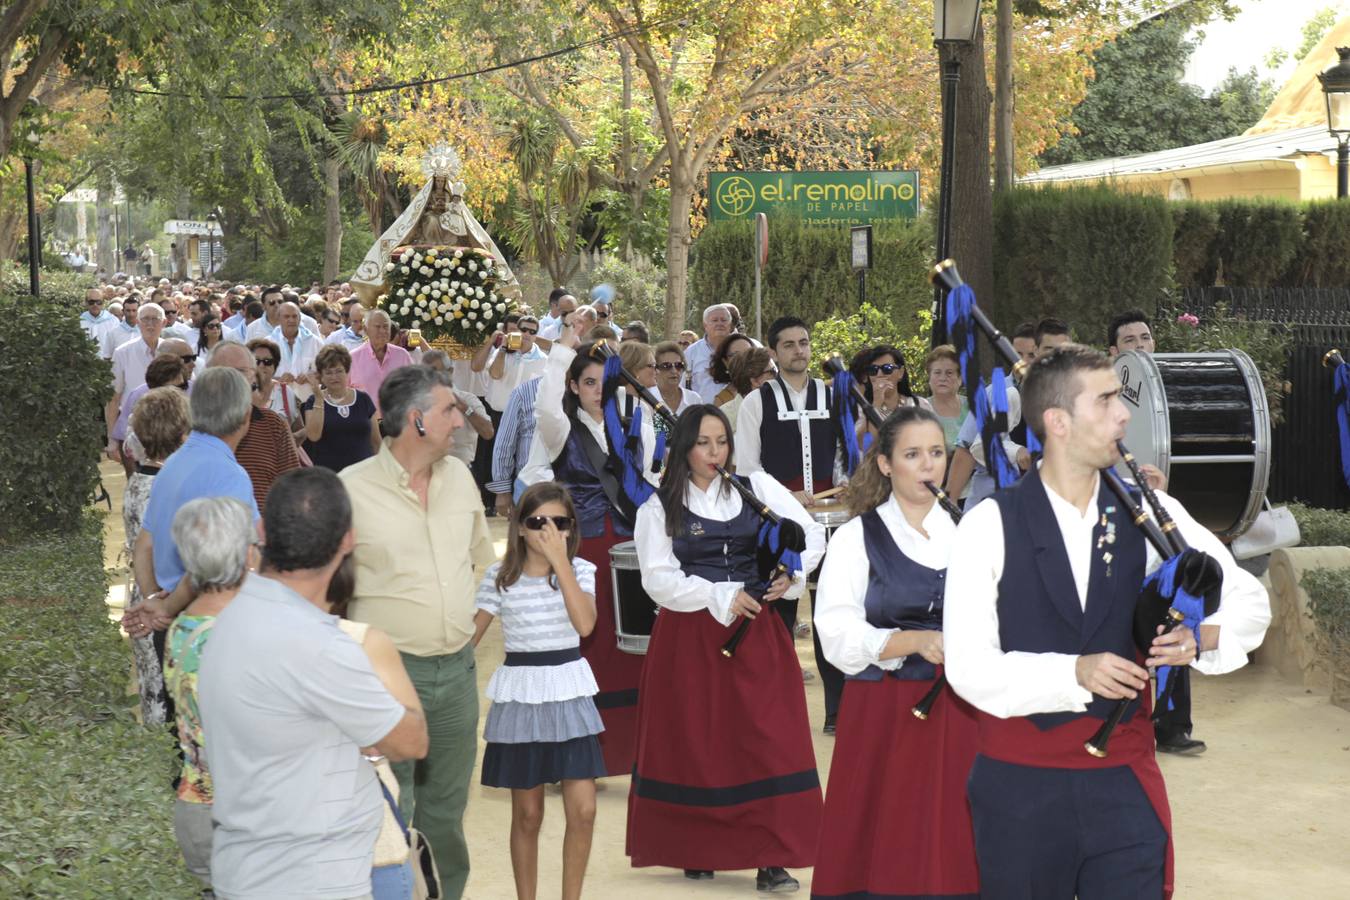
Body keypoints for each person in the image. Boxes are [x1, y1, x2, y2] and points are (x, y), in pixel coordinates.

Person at [943, 344, 1271, 900]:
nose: (1124, 415)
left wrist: (1199, 637)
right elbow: (968, 668)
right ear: (1058, 422)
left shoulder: (1151, 514)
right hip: (1019, 789)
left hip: (1124, 783)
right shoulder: (989, 524)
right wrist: (1072, 673)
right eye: (1108, 401)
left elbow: (1248, 602)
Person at [199, 468, 429, 900]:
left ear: (263, 531)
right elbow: (411, 742)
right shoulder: (321, 647)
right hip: (311, 880)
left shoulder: (231, 618)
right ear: (348, 541)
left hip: (247, 869)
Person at [629, 405, 826, 891]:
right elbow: (657, 579)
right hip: (690, 635)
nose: (714, 452)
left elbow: (811, 534)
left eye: (721, 442)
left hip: (757, 630)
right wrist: (718, 595)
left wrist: (790, 575)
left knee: (766, 739)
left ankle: (771, 854)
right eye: (703, 443)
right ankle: (698, 846)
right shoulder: (659, 505)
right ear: (682, 450)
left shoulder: (757, 487)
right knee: (698, 741)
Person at [341, 365, 498, 897]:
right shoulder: (350, 491)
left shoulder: (460, 480)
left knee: (447, 814)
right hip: (384, 678)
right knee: (387, 807)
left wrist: (461, 642)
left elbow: (479, 567)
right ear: (416, 421)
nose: (461, 419)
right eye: (450, 410)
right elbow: (324, 595)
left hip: (456, 674)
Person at [812, 408, 980, 900]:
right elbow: (836, 633)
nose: (928, 465)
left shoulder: (971, 534)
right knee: (887, 836)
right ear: (886, 464)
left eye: (935, 453)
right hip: (886, 712)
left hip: (962, 709)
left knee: (955, 836)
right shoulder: (855, 538)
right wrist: (912, 641)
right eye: (912, 455)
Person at [521, 324, 661, 778]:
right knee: (587, 646)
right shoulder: (560, 427)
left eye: (606, 382)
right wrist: (563, 347)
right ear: (573, 386)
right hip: (584, 551)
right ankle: (583, 757)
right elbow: (545, 403)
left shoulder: (638, 420)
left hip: (633, 547)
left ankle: (638, 753)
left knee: (634, 650)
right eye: (588, 383)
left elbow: (651, 480)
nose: (598, 392)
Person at [472, 483, 603, 900]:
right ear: (520, 528)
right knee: (528, 815)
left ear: (570, 528)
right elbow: (466, 638)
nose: (549, 530)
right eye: (537, 522)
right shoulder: (501, 576)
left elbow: (585, 626)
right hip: (521, 697)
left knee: (583, 810)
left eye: (559, 522)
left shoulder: (580, 571)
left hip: (569, 691)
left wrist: (560, 563)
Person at [163, 495, 256, 893]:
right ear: (245, 555)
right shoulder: (240, 636)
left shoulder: (182, 628)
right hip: (243, 820)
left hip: (197, 807)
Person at [121, 386, 191, 727]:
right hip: (165, 602)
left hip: (143, 595)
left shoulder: (137, 481)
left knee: (153, 691)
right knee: (171, 702)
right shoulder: (170, 487)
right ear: (182, 434)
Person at [209, 341, 302, 511]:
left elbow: (293, 489)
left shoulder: (273, 424)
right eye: (225, 372)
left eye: (241, 372)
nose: (233, 379)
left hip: (264, 532)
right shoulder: (194, 424)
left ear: (252, 377)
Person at [300, 344, 381, 471]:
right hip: (329, 478)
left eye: (339, 371)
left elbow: (376, 442)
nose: (334, 377)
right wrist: (319, 399)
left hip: (364, 476)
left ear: (347, 371)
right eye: (328, 372)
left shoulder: (363, 399)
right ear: (321, 376)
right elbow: (313, 435)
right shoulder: (313, 401)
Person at [106, 302, 167, 464]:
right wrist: (112, 439)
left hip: (169, 429)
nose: (150, 324)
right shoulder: (122, 353)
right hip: (133, 431)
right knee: (136, 483)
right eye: (145, 319)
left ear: (164, 322)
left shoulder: (173, 351)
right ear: (138, 322)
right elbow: (113, 398)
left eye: (155, 319)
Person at [423, 350, 496, 473]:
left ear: (450, 372)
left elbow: (488, 433)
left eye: (435, 372)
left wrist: (463, 408)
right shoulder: (417, 401)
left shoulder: (468, 399)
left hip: (460, 470)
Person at [850, 344, 933, 444]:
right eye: (873, 370)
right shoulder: (861, 409)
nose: (879, 375)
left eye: (887, 369)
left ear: (900, 373)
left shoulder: (920, 405)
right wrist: (876, 405)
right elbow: (861, 445)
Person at [489, 374, 543, 514]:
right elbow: (505, 442)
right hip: (530, 490)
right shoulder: (525, 392)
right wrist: (503, 490)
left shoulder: (592, 393)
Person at [350, 309, 413, 415]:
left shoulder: (402, 355)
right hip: (365, 424)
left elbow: (413, 387)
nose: (383, 331)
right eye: (378, 327)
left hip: (396, 423)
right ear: (366, 329)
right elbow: (343, 393)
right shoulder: (353, 358)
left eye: (385, 327)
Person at [246, 338, 304, 439]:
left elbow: (299, 429)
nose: (261, 365)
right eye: (256, 361)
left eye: (267, 361)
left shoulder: (285, 392)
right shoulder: (239, 392)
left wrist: (287, 441)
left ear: (275, 366)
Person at [271, 301, 322, 402]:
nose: (291, 320)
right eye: (286, 316)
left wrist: (311, 377)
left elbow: (326, 372)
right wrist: (278, 380)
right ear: (279, 319)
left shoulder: (315, 342)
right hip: (278, 403)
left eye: (295, 316)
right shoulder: (268, 343)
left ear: (300, 318)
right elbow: (260, 376)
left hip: (309, 402)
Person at [685, 303, 734, 402]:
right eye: (715, 320)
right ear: (705, 325)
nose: (719, 323)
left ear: (730, 324)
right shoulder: (691, 352)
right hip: (703, 412)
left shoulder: (743, 347)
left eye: (724, 320)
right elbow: (683, 386)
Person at [718, 348, 775, 431]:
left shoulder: (780, 408)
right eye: (772, 371)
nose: (777, 376)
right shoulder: (723, 418)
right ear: (755, 381)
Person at [926, 344, 969, 453]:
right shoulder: (920, 408)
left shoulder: (973, 407)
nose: (942, 378)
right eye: (937, 372)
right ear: (929, 378)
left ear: (960, 378)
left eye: (949, 373)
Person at [652, 340, 701, 434]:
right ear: (655, 369)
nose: (674, 371)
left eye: (678, 365)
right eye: (666, 366)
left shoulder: (694, 399)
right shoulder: (646, 398)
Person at [708, 332, 756, 406]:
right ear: (725, 362)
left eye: (748, 353)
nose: (744, 359)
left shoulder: (766, 387)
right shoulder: (722, 400)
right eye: (736, 355)